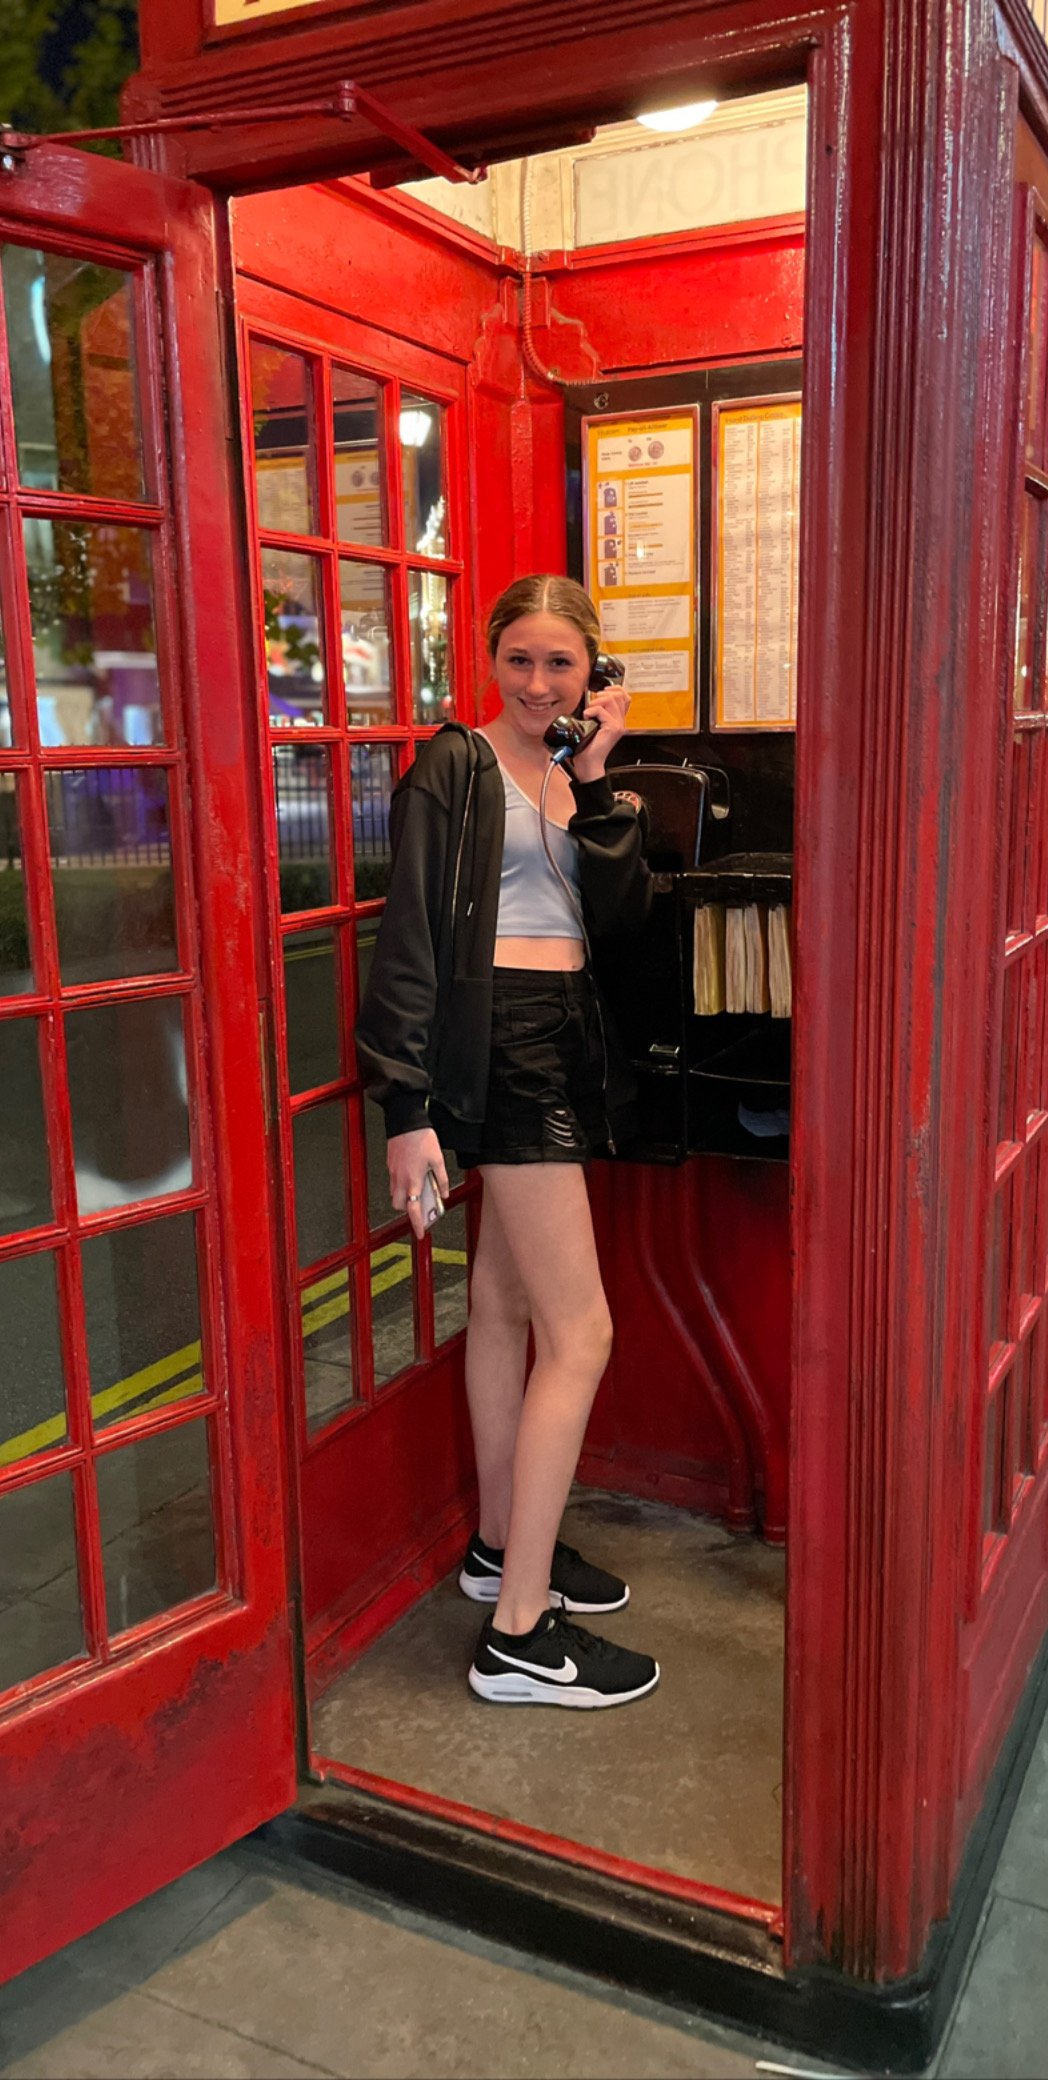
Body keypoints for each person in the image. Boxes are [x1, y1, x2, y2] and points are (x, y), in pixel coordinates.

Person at [356, 574, 659, 1711]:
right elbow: (409, 936)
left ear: (593, 673)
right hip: (508, 1047)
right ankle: (520, 1635)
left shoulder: (572, 773)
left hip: (565, 1036)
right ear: (490, 659)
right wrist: (405, 1106)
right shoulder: (457, 767)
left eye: (561, 664)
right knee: (584, 1334)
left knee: (504, 1304)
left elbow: (623, 922)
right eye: (520, 659)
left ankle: (497, 1549)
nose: (539, 683)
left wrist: (596, 773)